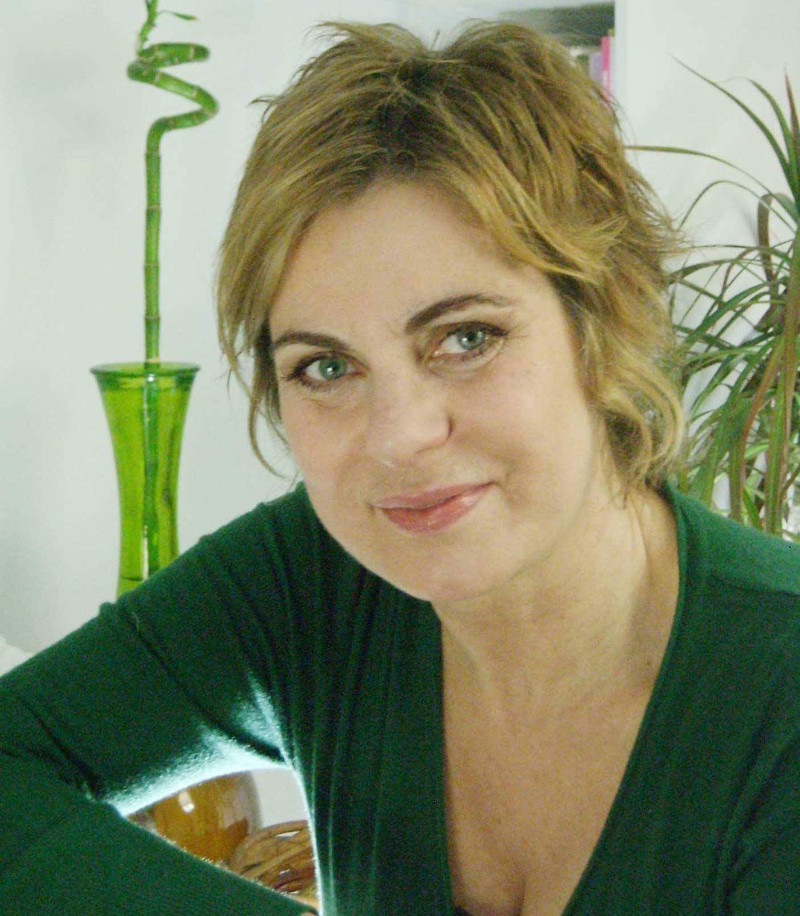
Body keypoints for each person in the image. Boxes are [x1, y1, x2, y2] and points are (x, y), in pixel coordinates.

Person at [1, 19, 799, 916]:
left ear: (603, 321)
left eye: (467, 338)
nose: (399, 437)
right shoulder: (314, 579)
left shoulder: (779, 698)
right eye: (325, 367)